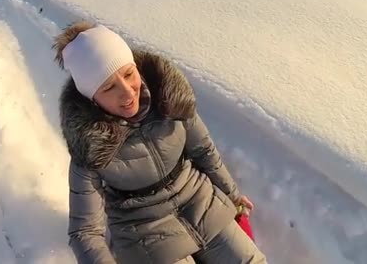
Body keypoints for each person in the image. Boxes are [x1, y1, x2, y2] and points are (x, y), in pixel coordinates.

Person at [53, 21, 266, 263]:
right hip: (145, 233)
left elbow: (204, 151)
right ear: (92, 98)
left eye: (128, 74)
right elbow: (84, 232)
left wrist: (234, 197)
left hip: (202, 204)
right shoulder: (89, 144)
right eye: (109, 87)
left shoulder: (170, 101)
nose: (127, 92)